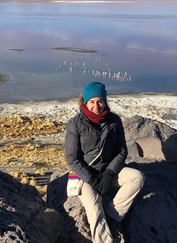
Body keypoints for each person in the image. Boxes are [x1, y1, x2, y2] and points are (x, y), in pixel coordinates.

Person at [65, 81, 145, 243]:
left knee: (137, 177)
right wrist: (93, 180)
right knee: (94, 209)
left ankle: (112, 213)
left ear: (105, 101)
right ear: (85, 102)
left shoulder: (114, 121)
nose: (96, 106)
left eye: (100, 101)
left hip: (108, 170)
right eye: (92, 102)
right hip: (84, 175)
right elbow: (72, 158)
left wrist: (109, 175)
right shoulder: (75, 123)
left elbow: (121, 151)